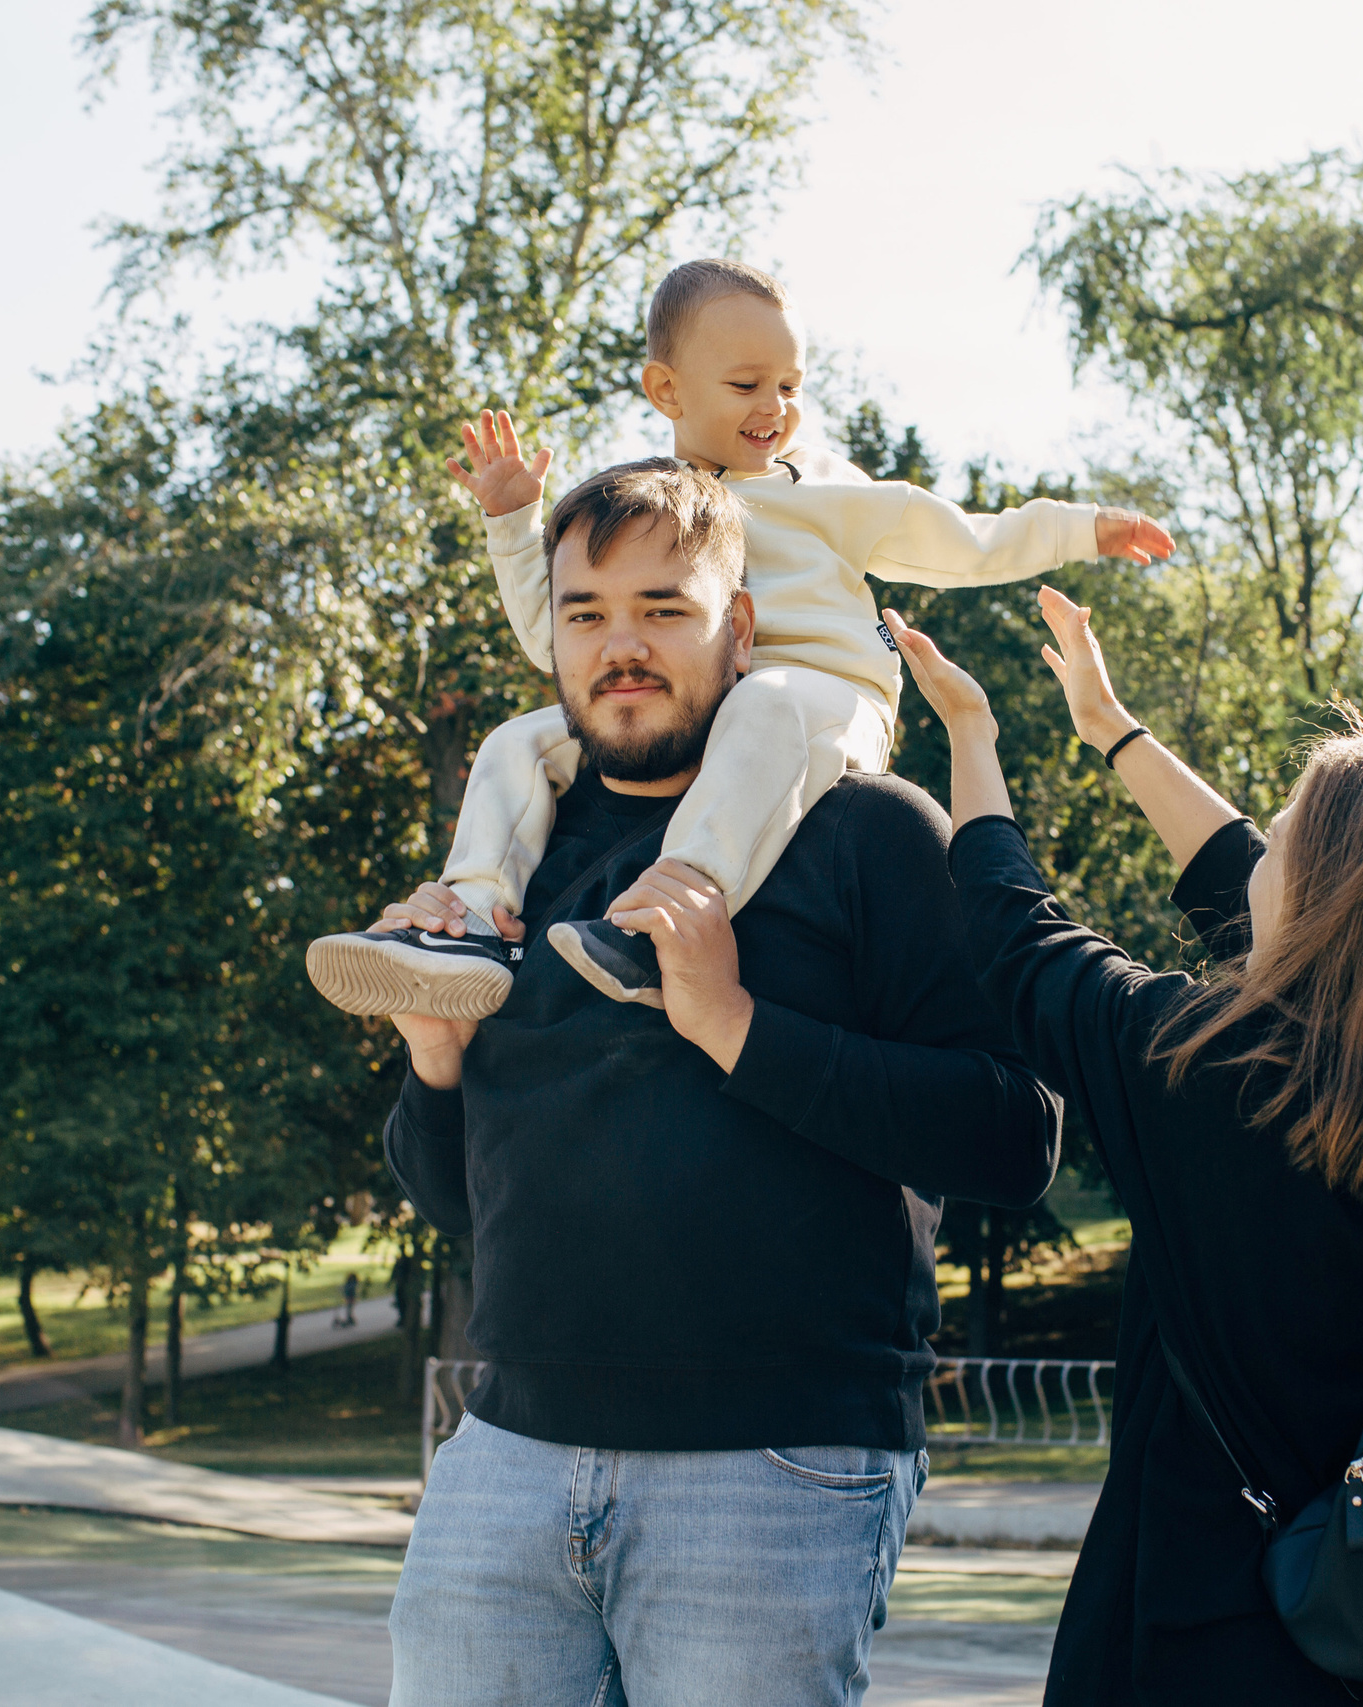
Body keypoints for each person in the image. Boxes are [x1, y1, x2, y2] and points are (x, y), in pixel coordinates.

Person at [370, 459, 1062, 1707]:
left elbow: (1017, 1138)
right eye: (584, 614)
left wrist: (736, 1025)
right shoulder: (516, 868)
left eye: (662, 608)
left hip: (776, 1463)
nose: (618, 647)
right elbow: (459, 1201)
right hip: (509, 1450)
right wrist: (434, 1054)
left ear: (738, 627)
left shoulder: (870, 833)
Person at [883, 587, 1363, 1706]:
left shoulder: (1213, 1077)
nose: (1263, 850)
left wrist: (972, 737)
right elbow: (1267, 891)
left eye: (1292, 836)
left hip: (1202, 1638)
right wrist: (1111, 730)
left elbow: (1015, 933)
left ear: (1328, 898)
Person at [304, 256, 1174, 1019]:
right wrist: (511, 521)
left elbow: (965, 542)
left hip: (825, 705)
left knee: (767, 699)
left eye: (791, 385)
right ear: (666, 391)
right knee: (519, 739)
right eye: (747, 384)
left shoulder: (830, 495)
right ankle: (468, 924)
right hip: (711, 709)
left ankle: (661, 923)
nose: (776, 407)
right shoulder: (648, 510)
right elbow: (561, 641)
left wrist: (1083, 528)